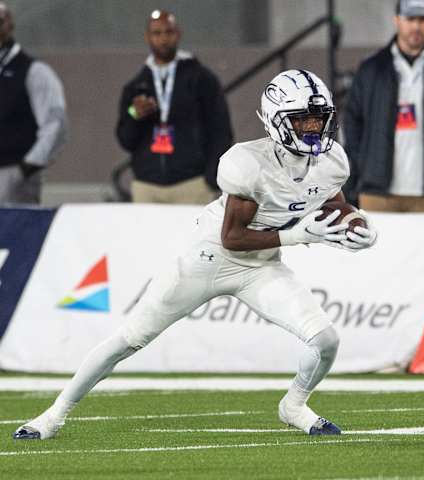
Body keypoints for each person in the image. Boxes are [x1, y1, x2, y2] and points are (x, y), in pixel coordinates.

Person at [13, 69, 378, 441]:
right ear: (277, 120)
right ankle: (53, 414)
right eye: (303, 119)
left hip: (262, 267)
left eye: (319, 118)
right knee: (130, 338)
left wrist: (356, 224)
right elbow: (232, 237)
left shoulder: (333, 160)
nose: (314, 128)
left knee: (326, 341)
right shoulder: (247, 163)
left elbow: (331, 202)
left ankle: (294, 405)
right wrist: (297, 235)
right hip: (210, 259)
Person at [343, 0, 424, 212]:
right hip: (377, 192)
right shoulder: (371, 69)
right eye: (410, 19)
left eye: (422, 19)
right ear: (397, 20)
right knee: (378, 246)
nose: (416, 27)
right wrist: (363, 165)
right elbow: (352, 122)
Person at [116, 9, 233, 204]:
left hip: (192, 184)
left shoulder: (201, 79)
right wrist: (133, 114)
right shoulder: (136, 86)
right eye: (157, 33)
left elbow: (221, 130)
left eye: (168, 32)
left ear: (178, 34)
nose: (163, 39)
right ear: (147, 37)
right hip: (147, 186)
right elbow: (125, 140)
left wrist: (211, 179)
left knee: (192, 236)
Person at [0, 1, 67, 205]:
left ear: (10, 24)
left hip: (14, 173)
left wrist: (28, 166)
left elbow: (54, 122)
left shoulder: (33, 71)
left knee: (12, 234)